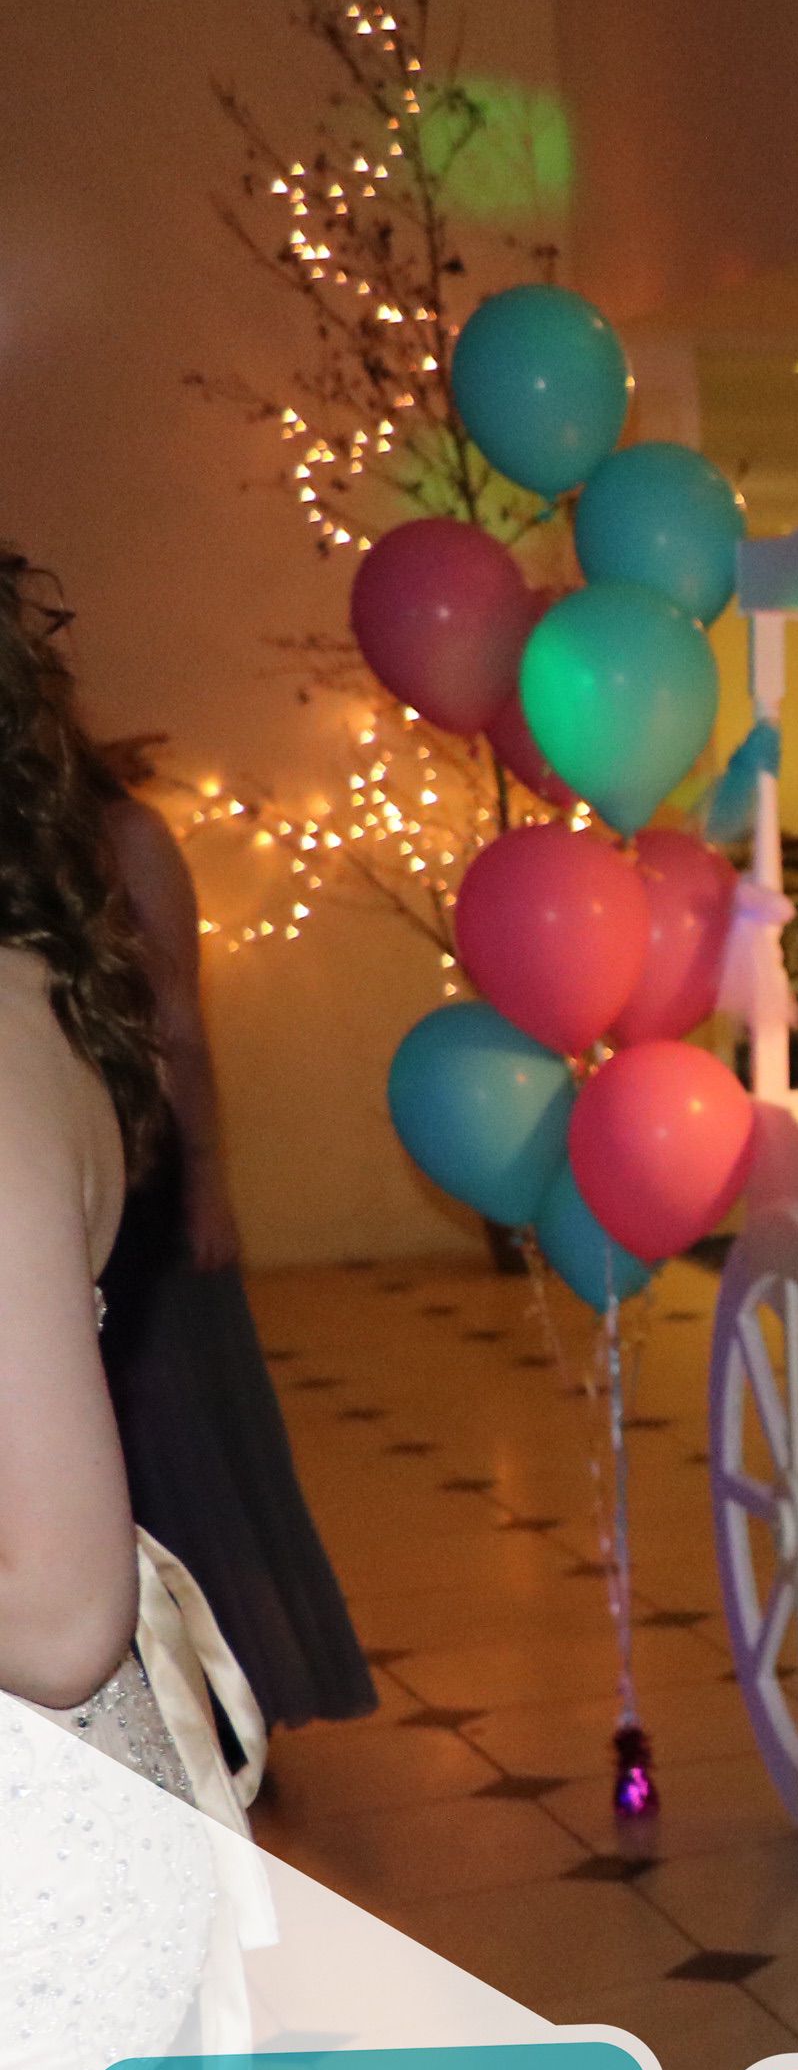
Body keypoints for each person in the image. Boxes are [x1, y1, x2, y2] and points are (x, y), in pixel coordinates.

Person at [85, 733, 368, 1728]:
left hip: (142, 1184)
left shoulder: (126, 836)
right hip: (71, 1189)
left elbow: (178, 1030)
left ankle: (211, 1709)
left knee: (184, 1462)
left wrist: (207, 1180)